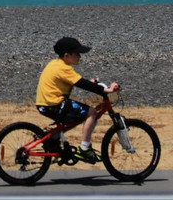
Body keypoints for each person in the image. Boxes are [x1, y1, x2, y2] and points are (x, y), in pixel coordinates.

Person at [35, 36, 119, 164]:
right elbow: (81, 84)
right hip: (54, 104)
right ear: (67, 55)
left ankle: (53, 137)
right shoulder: (64, 68)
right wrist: (107, 90)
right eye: (77, 53)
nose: (80, 56)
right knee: (91, 112)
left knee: (77, 117)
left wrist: (92, 84)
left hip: (45, 104)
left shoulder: (55, 64)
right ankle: (84, 149)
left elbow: (79, 82)